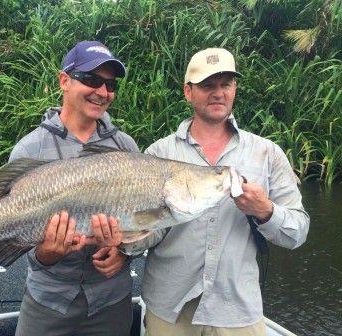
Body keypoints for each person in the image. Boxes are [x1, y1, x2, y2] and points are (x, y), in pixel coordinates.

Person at [121, 48, 310, 336]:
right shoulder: (158, 154)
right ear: (188, 91)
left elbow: (297, 232)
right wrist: (124, 240)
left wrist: (265, 210)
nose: (218, 93)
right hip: (170, 311)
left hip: (237, 310)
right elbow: (151, 230)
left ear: (234, 88)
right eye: (207, 85)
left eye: (226, 84)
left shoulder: (267, 154)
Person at [10, 40, 139, 336]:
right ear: (64, 81)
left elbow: (143, 219)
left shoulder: (126, 148)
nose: (103, 92)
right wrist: (46, 254)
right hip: (49, 301)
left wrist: (124, 252)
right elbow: (16, 234)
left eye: (110, 84)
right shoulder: (29, 150)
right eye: (92, 79)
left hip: (111, 301)